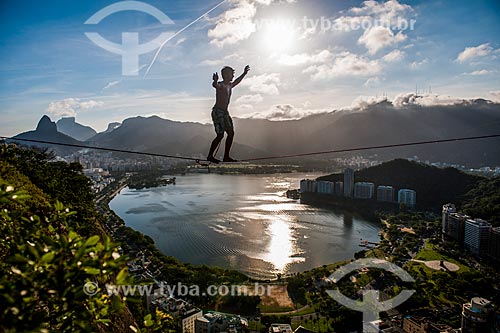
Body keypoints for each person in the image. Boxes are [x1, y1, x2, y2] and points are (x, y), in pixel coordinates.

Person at [207, 65, 250, 164]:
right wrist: (214, 81)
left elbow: (237, 81)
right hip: (218, 112)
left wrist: (244, 73)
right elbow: (215, 86)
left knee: (231, 133)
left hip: (225, 112)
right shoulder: (221, 85)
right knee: (220, 135)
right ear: (226, 75)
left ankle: (226, 156)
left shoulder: (230, 85)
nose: (233, 76)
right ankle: (210, 156)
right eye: (232, 74)